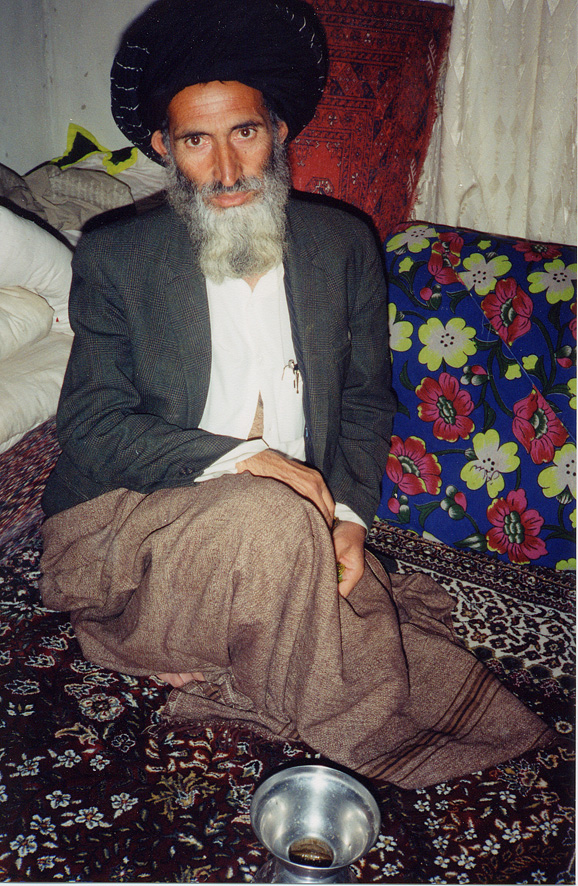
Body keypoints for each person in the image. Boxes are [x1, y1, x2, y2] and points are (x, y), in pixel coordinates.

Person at [40, 0, 554, 789]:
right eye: (195, 141)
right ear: (164, 149)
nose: (226, 169)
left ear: (278, 131)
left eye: (243, 131)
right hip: (126, 514)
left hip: (276, 523)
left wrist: (345, 519)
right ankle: (363, 720)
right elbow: (90, 423)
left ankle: (193, 644)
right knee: (274, 524)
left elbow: (362, 402)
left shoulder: (344, 244)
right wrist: (251, 461)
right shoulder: (118, 256)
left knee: (324, 556)